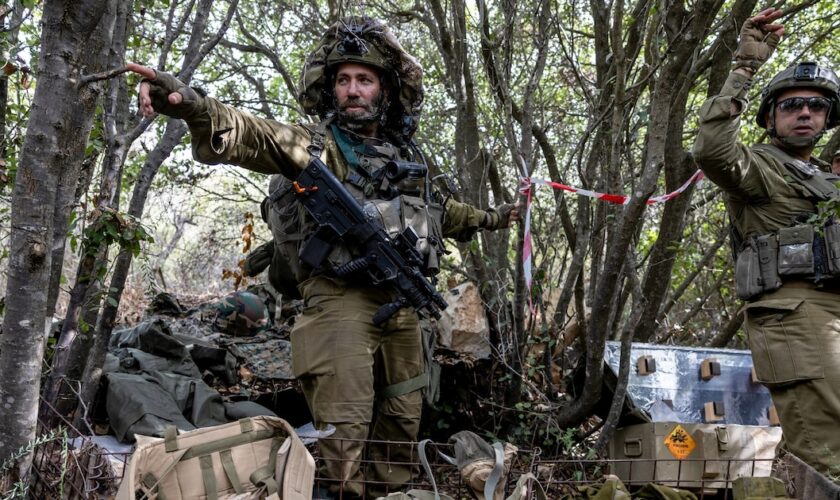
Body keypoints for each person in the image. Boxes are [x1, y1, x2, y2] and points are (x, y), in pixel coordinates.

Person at [128, 17, 517, 498]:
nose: (352, 90)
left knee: (401, 421)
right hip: (339, 300)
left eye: (365, 79)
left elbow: (442, 213)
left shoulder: (406, 155)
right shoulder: (317, 147)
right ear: (330, 88)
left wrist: (496, 218)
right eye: (343, 80)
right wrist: (191, 105)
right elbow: (256, 134)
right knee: (345, 429)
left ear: (385, 90)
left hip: (403, 304)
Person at [693, 8, 840, 477]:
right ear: (771, 116)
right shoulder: (760, 167)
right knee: (828, 452)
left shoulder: (828, 177)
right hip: (795, 313)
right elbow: (712, 150)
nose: (805, 113)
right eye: (792, 104)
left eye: (817, 106)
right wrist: (743, 67)